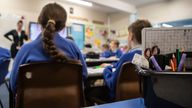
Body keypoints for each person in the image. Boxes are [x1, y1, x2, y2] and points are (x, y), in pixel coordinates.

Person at [10, 3, 87, 93]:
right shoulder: (73, 47)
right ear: (63, 26)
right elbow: (83, 75)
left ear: (39, 21)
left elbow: (13, 85)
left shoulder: (26, 49)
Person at [103, 19, 152, 99]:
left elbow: (112, 84)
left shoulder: (127, 57)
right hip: (145, 98)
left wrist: (106, 69)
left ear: (131, 36)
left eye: (128, 35)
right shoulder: (152, 56)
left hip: (122, 101)